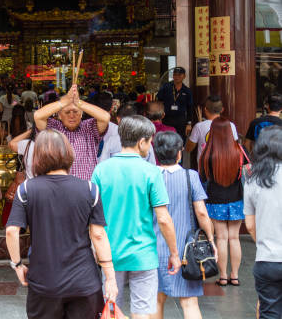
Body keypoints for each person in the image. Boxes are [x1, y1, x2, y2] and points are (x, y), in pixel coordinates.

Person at [6, 129, 118, 318]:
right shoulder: (90, 189)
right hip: (84, 281)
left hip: (44, 281)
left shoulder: (26, 189)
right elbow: (98, 235)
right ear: (68, 153)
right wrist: (110, 278)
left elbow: (11, 231)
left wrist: (17, 265)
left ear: (37, 156)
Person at [92, 115, 181, 318]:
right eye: (149, 141)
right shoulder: (151, 173)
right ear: (142, 142)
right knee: (142, 312)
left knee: (111, 309)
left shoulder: (100, 170)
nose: (150, 147)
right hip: (143, 255)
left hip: (110, 254)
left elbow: (93, 218)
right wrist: (174, 253)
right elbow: (164, 219)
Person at [153, 132, 217, 319]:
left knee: (156, 300)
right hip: (185, 250)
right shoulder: (190, 176)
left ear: (156, 153)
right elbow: (202, 213)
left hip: (154, 246)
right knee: (189, 302)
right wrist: (211, 239)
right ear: (180, 153)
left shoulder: (149, 177)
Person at [198, 117, 247, 287]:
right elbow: (248, 170)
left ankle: (223, 276)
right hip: (237, 199)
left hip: (215, 200)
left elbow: (202, 178)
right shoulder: (239, 150)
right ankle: (235, 275)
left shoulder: (207, 152)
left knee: (221, 238)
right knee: (234, 238)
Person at [244, 126, 282, 318]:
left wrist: (265, 241)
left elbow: (249, 225)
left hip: (267, 259)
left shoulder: (253, 179)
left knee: (269, 312)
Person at [34, 84, 110, 180]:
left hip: (85, 187)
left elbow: (105, 117)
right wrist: (63, 102)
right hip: (59, 189)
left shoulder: (89, 127)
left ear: (81, 114)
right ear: (59, 115)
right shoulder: (53, 128)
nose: (71, 116)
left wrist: (79, 102)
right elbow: (37, 116)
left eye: (75, 112)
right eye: (67, 112)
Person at [186, 95, 239, 161]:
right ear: (222, 110)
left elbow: (188, 149)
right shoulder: (231, 125)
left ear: (205, 109)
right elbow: (235, 147)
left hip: (205, 168)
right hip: (225, 166)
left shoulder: (199, 126)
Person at [156, 67, 194, 141]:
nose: (177, 77)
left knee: (180, 141)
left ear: (184, 76)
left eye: (179, 75)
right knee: (166, 141)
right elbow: (158, 102)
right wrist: (159, 117)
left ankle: (179, 152)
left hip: (181, 121)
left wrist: (189, 124)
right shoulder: (166, 87)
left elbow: (190, 108)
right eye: (175, 75)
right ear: (173, 76)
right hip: (166, 119)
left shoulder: (187, 91)